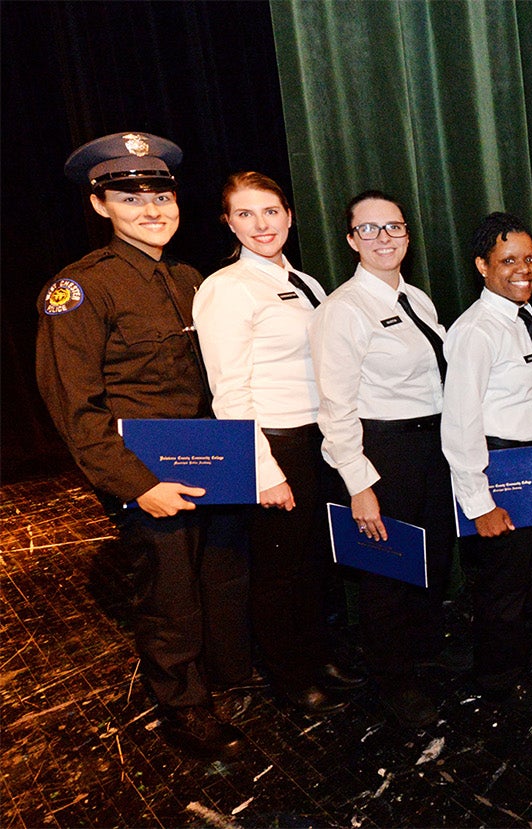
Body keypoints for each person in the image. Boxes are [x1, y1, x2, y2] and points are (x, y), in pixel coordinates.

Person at [35, 132, 251, 758]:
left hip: (212, 459)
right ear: (101, 206)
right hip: (146, 474)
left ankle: (217, 678)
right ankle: (184, 708)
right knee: (168, 595)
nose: (152, 209)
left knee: (213, 581)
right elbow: (75, 410)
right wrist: (139, 487)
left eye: (161, 194)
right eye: (131, 197)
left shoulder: (191, 278)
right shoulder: (78, 289)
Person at [192, 172, 366, 715]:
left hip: (316, 437)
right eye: (245, 214)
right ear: (228, 222)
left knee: (314, 560)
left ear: (289, 216)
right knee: (278, 569)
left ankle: (317, 655)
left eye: (270, 211)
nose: (261, 225)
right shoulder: (225, 288)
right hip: (274, 442)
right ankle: (290, 673)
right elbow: (229, 390)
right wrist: (263, 469)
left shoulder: (306, 281)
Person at [309, 190, 465, 729]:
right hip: (383, 451)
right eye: (369, 229)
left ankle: (421, 652)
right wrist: (359, 484)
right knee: (385, 572)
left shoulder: (418, 299)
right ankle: (392, 680)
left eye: (393, 227)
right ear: (351, 240)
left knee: (433, 556)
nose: (384, 238)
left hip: (432, 448)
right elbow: (335, 406)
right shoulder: (342, 310)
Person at [442, 212, 532, 712]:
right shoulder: (476, 331)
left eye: (530, 259)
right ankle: (499, 679)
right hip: (500, 467)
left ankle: (518, 661)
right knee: (503, 587)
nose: (523, 269)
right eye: (508, 260)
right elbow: (460, 423)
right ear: (481, 266)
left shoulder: (531, 317)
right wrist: (478, 502)